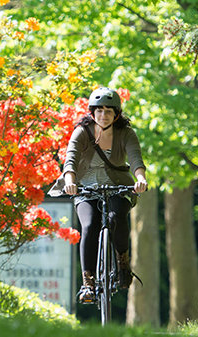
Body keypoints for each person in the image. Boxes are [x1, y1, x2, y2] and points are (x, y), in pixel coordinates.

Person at [48, 87, 148, 304]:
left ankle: (122, 263)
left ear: (116, 114)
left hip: (117, 186)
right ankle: (88, 283)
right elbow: (71, 160)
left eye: (109, 111)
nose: (104, 115)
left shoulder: (126, 134)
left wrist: (140, 179)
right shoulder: (82, 132)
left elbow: (136, 160)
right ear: (92, 112)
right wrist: (71, 183)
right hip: (85, 188)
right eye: (99, 110)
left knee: (116, 217)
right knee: (90, 225)